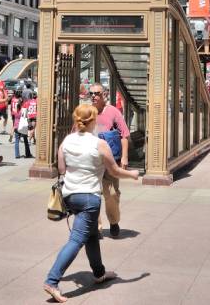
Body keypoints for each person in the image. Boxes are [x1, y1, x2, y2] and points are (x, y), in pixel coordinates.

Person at [43, 103, 140, 303]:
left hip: (70, 195)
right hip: (89, 198)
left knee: (92, 236)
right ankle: (52, 281)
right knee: (77, 240)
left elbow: (61, 168)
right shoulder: (99, 144)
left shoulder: (66, 141)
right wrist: (132, 174)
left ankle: (99, 273)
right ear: (93, 121)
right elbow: (113, 171)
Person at [87, 83, 130, 238]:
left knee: (111, 194)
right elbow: (75, 132)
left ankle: (113, 221)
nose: (93, 96)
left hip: (110, 161)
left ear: (104, 94)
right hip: (91, 162)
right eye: (90, 93)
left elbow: (124, 134)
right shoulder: (86, 112)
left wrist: (124, 157)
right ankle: (96, 228)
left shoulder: (113, 111)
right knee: (92, 195)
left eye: (96, 93)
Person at [12, 90, 32, 159]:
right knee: (25, 140)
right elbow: (26, 117)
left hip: (16, 126)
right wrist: (29, 124)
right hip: (22, 126)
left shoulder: (16, 110)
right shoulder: (24, 109)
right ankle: (28, 153)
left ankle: (17, 155)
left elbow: (14, 117)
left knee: (17, 141)